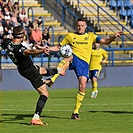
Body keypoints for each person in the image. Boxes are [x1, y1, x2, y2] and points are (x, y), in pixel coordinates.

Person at [45, 17, 123, 120]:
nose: (80, 27)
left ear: (85, 26)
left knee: (83, 85)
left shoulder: (91, 36)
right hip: (74, 57)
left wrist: (114, 36)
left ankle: (75, 112)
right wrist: (48, 48)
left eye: (82, 26)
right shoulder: (70, 36)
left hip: (84, 64)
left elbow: (106, 41)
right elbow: (59, 47)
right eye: (78, 25)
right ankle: (52, 79)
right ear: (76, 26)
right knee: (68, 57)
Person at [1, 25, 67, 126]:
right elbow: (31, 51)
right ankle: (36, 117)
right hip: (29, 71)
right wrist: (42, 50)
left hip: (24, 68)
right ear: (22, 35)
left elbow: (2, 46)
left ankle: (59, 71)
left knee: (43, 70)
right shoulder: (20, 49)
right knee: (44, 94)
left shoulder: (7, 42)